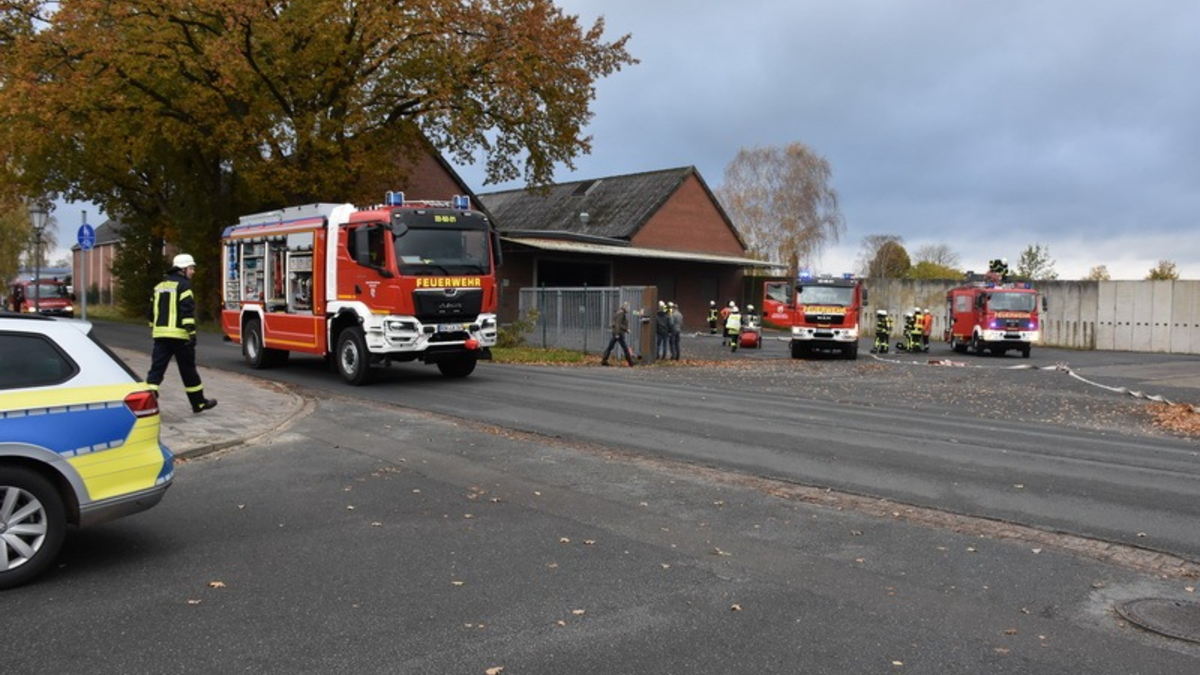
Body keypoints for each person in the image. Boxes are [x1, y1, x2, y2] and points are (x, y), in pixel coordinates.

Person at [146, 253, 218, 413]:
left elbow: (150, 313)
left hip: (160, 336)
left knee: (156, 371)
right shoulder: (184, 286)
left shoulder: (159, 286)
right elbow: (187, 312)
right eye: (191, 268)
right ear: (183, 269)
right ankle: (198, 403)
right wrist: (191, 334)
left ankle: (147, 403)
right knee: (188, 370)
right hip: (180, 337)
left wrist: (154, 329)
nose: (193, 272)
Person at [600, 301, 635, 367]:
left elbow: (619, 324)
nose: (629, 309)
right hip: (618, 334)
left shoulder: (620, 312)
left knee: (610, 347)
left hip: (616, 332)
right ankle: (630, 362)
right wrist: (617, 334)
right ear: (625, 307)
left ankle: (604, 360)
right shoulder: (621, 313)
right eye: (628, 308)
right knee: (625, 348)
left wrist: (626, 329)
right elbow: (618, 324)